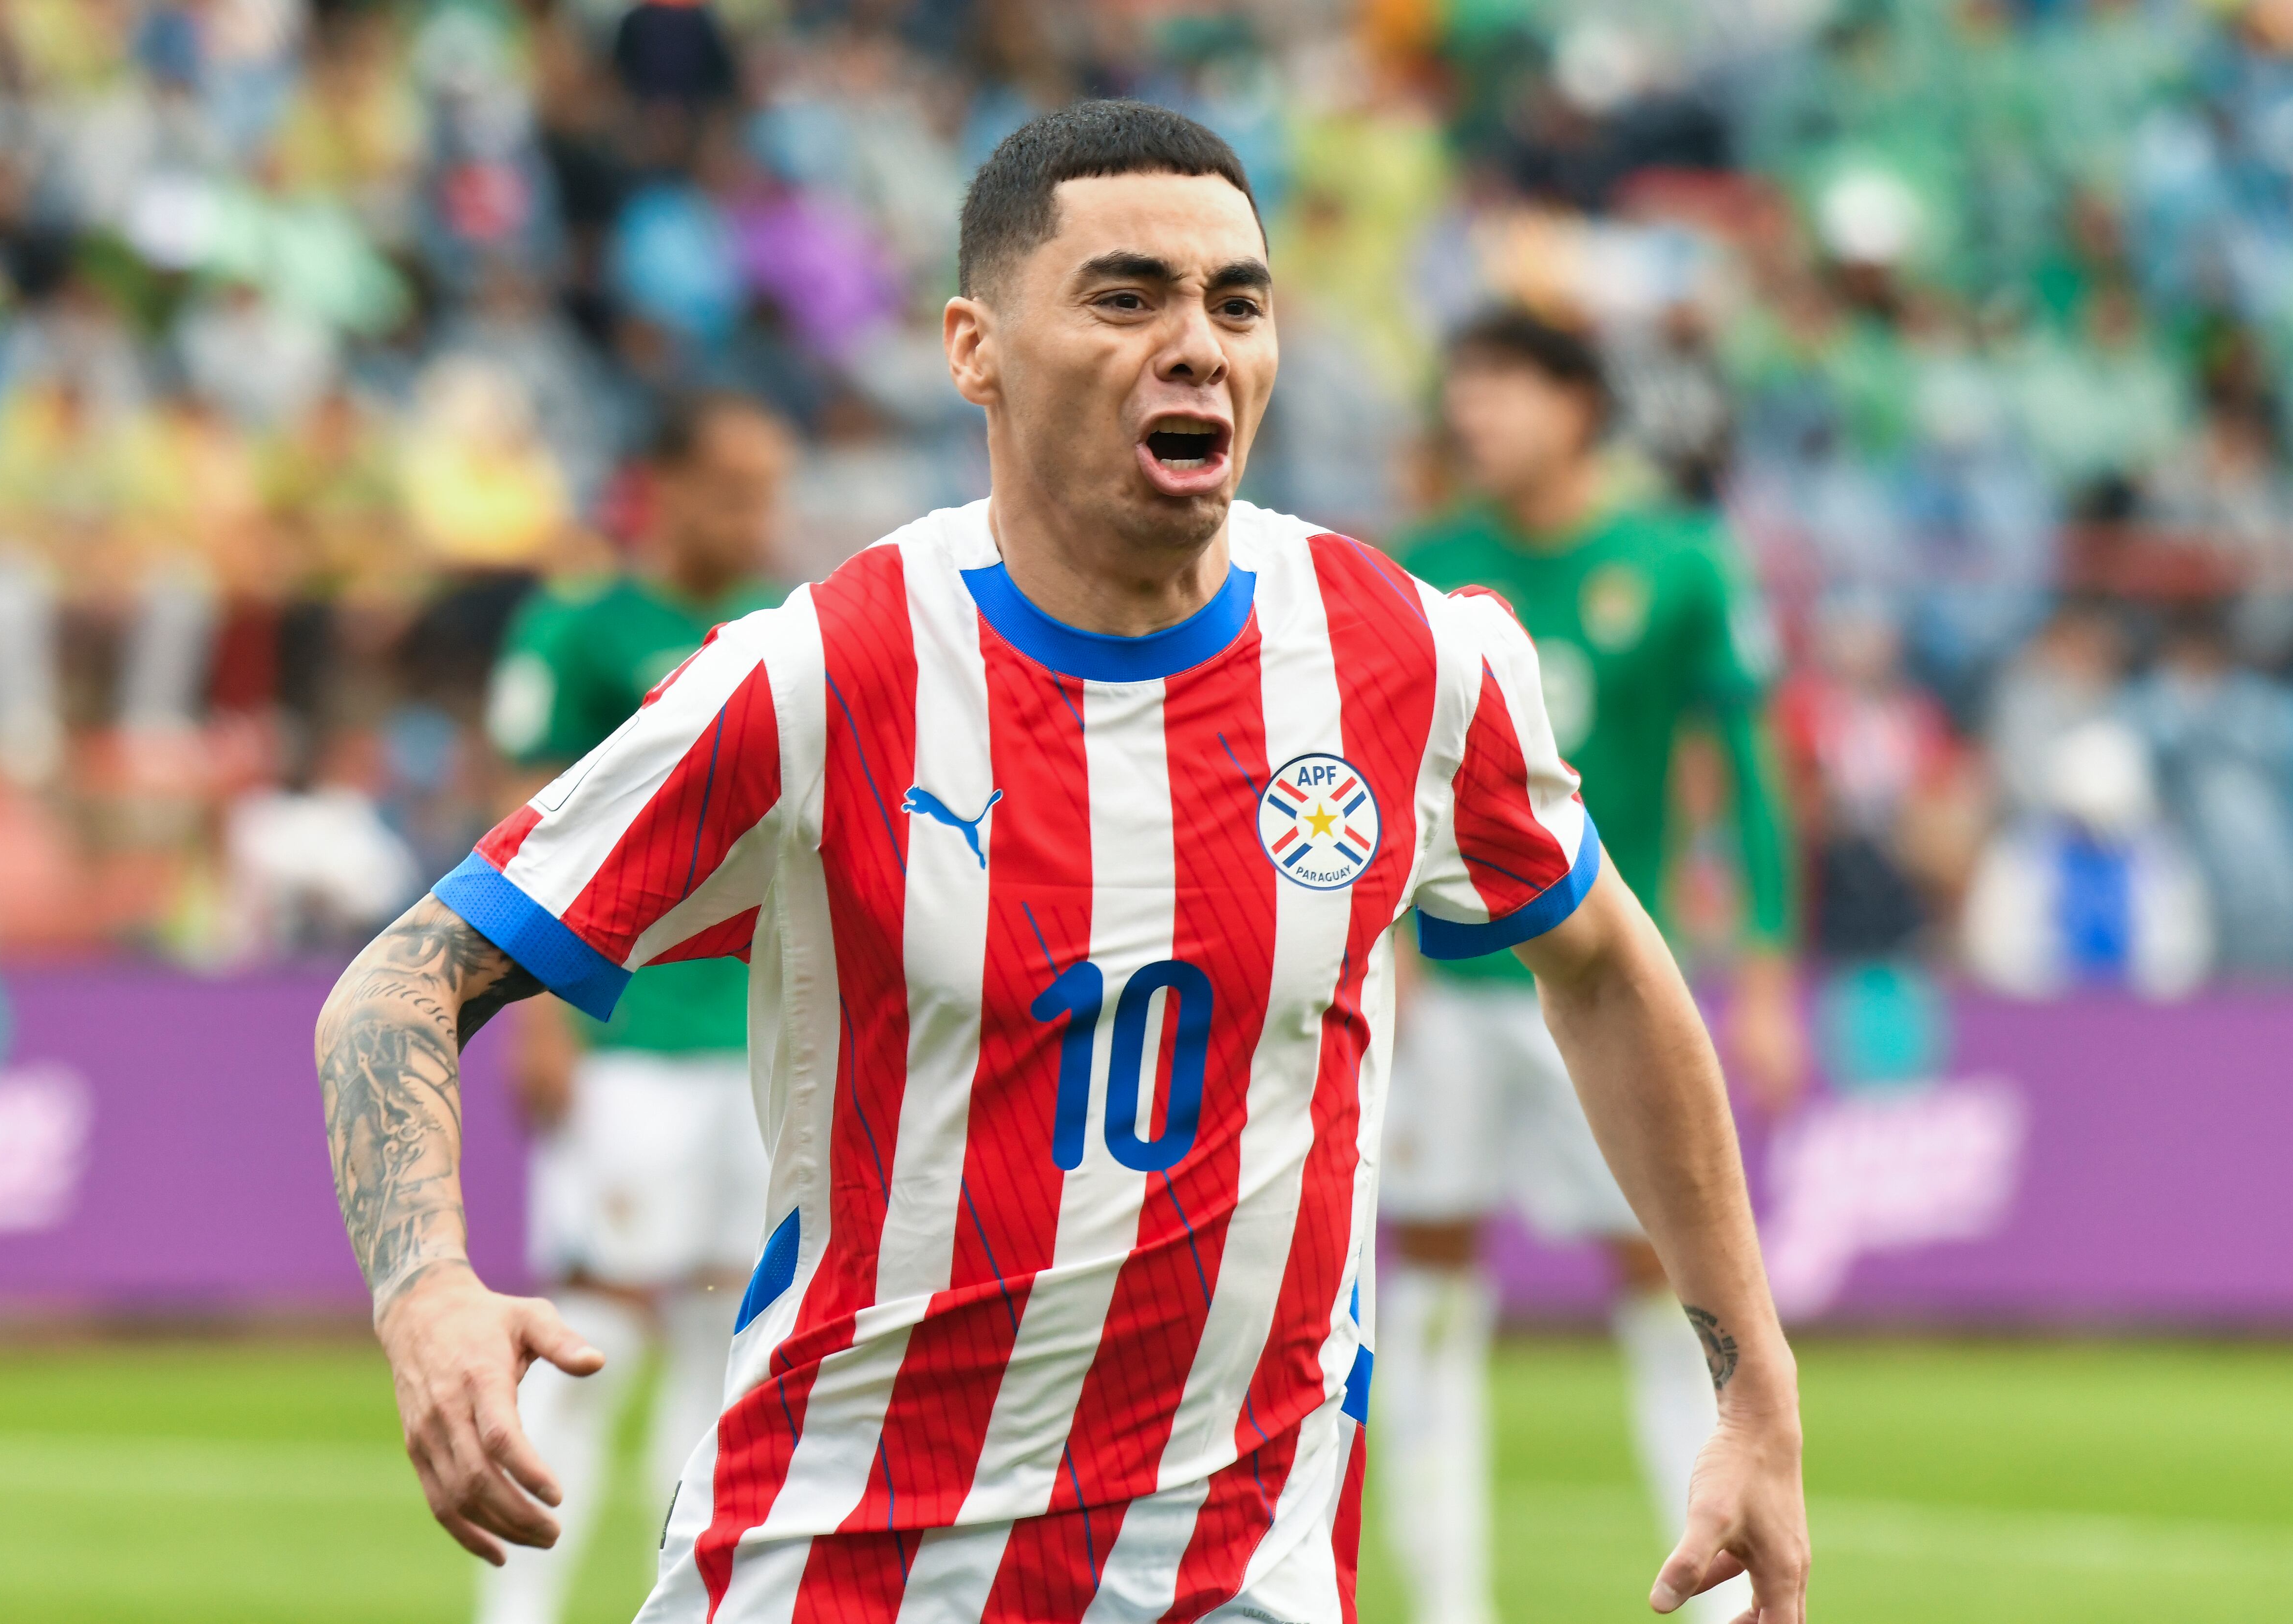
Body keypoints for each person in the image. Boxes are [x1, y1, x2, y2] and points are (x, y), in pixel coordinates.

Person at [313, 102, 1808, 1623]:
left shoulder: (1416, 661)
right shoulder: (827, 673)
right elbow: (402, 981)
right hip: (838, 1559)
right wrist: (426, 1284)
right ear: (975, 349)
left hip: (1237, 1577)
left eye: (1238, 300)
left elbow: (1611, 970)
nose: (1198, 344)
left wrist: (1755, 1387)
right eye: (1126, 295)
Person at [1381, 309, 1802, 1624]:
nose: (1474, 417)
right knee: (1432, 1277)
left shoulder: (1676, 563)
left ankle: (1727, 1592)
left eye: (1501, 388)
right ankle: (1449, 1602)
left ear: (1579, 406)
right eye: (1463, 390)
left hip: (1604, 988)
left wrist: (1772, 964)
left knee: (1673, 1277)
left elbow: (1748, 766)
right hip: (1450, 994)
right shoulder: (1426, 568)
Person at [473, 393, 793, 1624]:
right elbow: (521, 822)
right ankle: (516, 1613)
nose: (755, 515)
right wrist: (538, 1016)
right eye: (733, 486)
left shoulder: (781, 625)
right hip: (628, 1038)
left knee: (730, 1347)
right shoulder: (579, 626)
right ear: (660, 483)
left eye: (769, 488)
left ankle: (692, 1601)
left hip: (757, 1039)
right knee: (592, 1323)